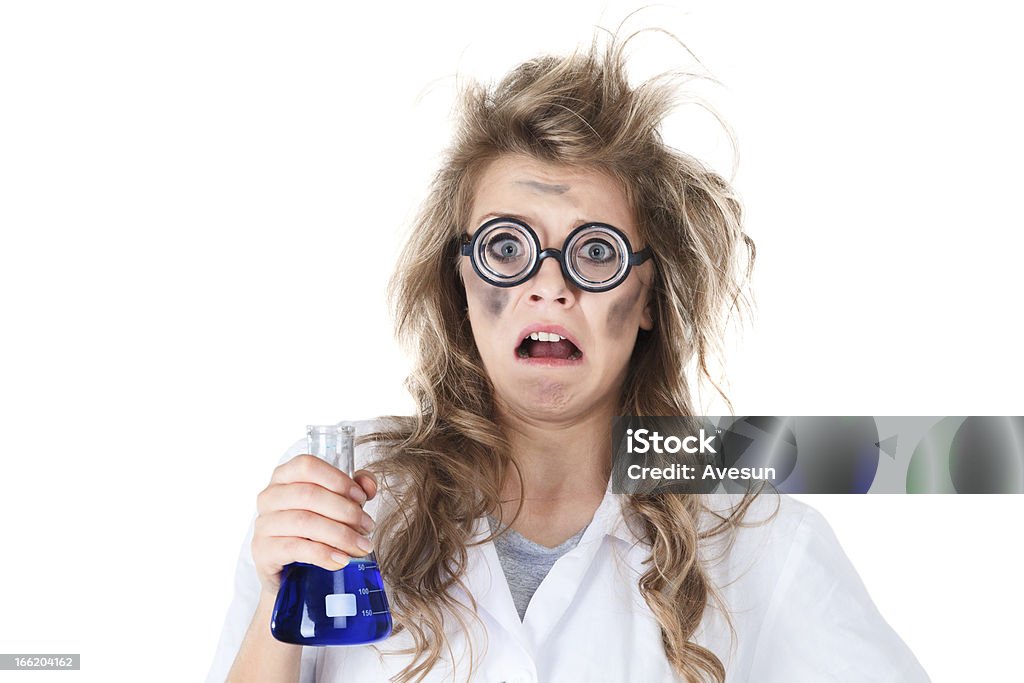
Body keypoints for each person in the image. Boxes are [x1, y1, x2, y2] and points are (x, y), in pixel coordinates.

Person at [207, 34, 930, 683]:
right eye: (506, 248)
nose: (548, 286)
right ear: (460, 280)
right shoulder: (339, 495)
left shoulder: (758, 540)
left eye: (595, 252)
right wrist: (280, 594)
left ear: (648, 296)